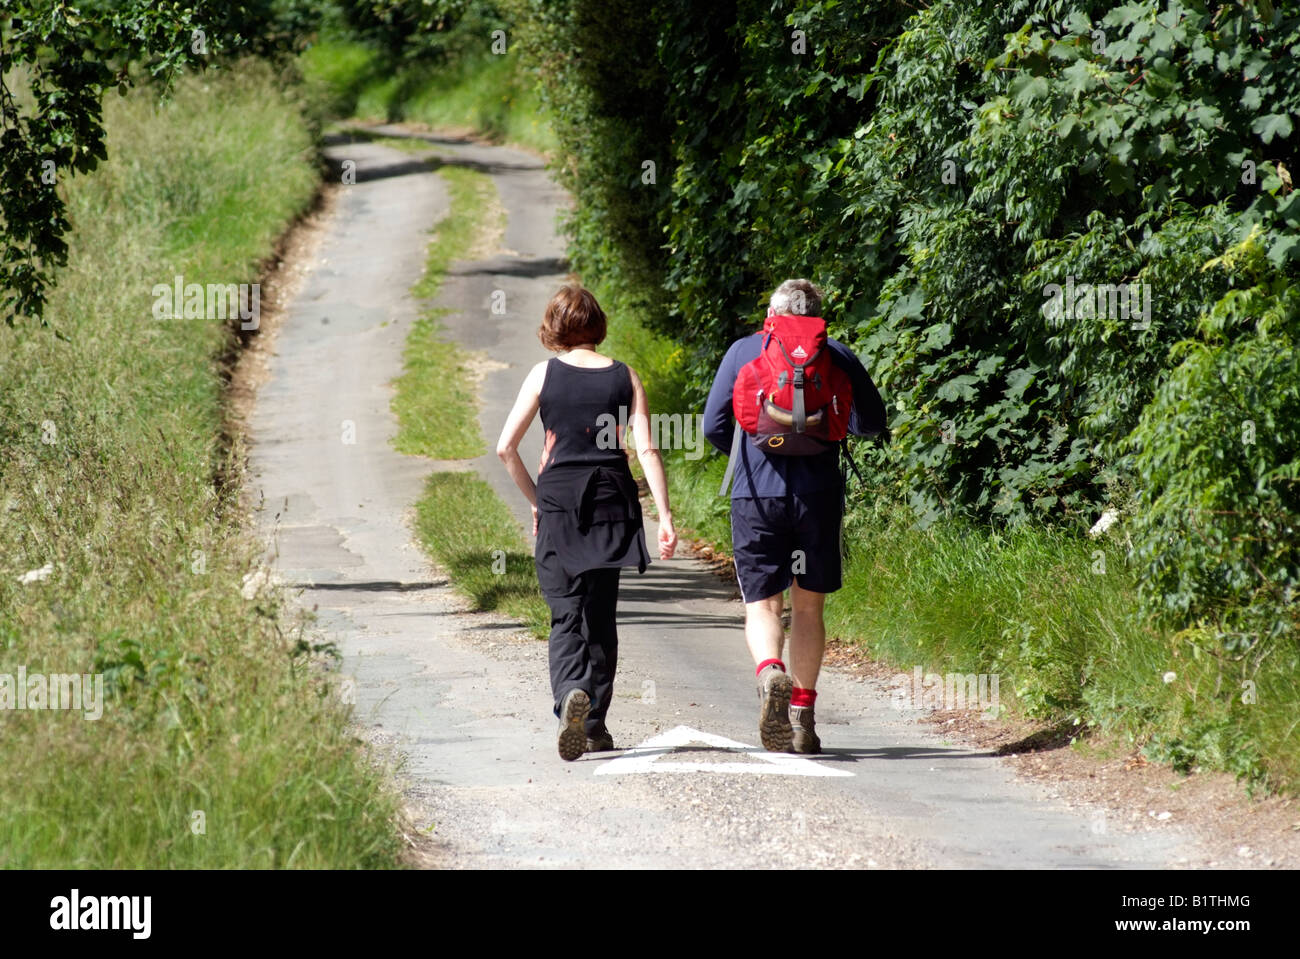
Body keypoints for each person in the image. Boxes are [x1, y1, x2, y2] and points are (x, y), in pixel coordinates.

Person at [702, 279, 886, 753]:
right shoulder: (836, 354)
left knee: (764, 605)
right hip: (817, 495)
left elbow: (713, 425)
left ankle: (770, 674)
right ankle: (802, 716)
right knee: (808, 607)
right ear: (817, 316)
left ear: (771, 313)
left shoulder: (745, 349)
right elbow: (872, 419)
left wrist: (753, 450)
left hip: (756, 498)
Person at [497, 285, 677, 761]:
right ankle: (593, 724)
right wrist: (666, 517)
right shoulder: (625, 376)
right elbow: (647, 449)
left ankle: (569, 700)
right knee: (601, 617)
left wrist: (537, 500)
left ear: (554, 328)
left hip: (559, 500)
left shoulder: (543, 375)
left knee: (566, 614)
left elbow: (505, 448)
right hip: (612, 499)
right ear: (597, 325)